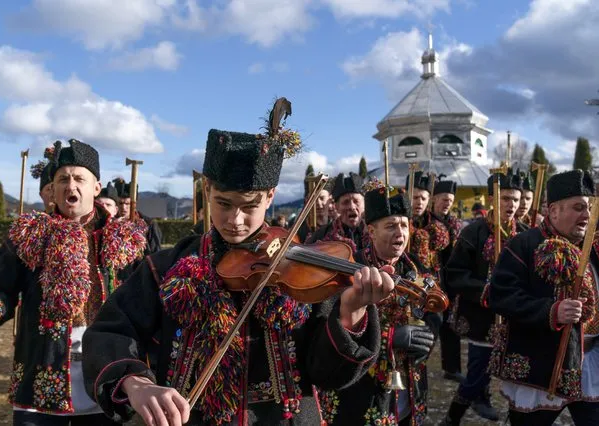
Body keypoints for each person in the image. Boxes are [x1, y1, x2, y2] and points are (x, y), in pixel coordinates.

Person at [82, 98, 394, 426]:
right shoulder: (166, 267)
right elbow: (109, 331)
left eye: (249, 205)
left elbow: (325, 374)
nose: (236, 220)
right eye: (223, 203)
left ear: (271, 196)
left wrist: (351, 313)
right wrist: (136, 383)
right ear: (207, 189)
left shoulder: (306, 268)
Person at [0, 139, 148, 426]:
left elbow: (144, 302)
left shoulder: (124, 240)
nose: (70, 185)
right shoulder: (29, 235)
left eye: (79, 178)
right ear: (53, 189)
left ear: (95, 188)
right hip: (42, 368)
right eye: (63, 178)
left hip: (105, 371)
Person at [318, 178, 442, 425]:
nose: (401, 233)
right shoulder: (351, 270)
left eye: (405, 226)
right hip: (362, 387)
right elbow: (332, 327)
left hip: (408, 380)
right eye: (391, 226)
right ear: (371, 231)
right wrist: (389, 337)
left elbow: (433, 316)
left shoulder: (419, 269)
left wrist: (426, 339)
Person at [489, 170, 599, 426]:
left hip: (590, 365)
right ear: (553, 211)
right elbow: (501, 296)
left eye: (590, 208)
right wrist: (551, 311)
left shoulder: (593, 247)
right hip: (541, 367)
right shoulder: (524, 244)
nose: (587, 215)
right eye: (578, 207)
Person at [439, 168, 523, 425]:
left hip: (516, 317)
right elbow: (454, 273)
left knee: (517, 376)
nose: (511, 205)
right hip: (481, 316)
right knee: (477, 372)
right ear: (491, 200)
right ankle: (452, 417)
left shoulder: (526, 234)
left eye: (516, 199)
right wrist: (484, 290)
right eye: (506, 198)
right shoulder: (473, 232)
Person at [413, 179, 464, 384]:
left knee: (444, 323)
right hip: (410, 281)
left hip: (437, 280)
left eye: (422, 198)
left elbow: (449, 256)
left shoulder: (440, 225)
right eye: (415, 197)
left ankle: (451, 367)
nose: (419, 202)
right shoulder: (403, 220)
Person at [307, 172, 369, 251]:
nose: (352, 207)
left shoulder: (375, 234)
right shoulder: (321, 236)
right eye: (345, 202)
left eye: (356, 201)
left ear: (364, 204)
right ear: (336, 206)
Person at [114, 177, 163, 254]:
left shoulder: (149, 224)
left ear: (134, 204)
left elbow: (156, 252)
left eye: (127, 204)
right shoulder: (110, 223)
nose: (124, 207)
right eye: (120, 203)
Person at [30, 147, 56, 213]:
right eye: (48, 189)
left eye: (56, 189)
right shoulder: (33, 222)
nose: (53, 194)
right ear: (41, 194)